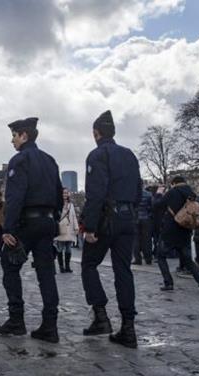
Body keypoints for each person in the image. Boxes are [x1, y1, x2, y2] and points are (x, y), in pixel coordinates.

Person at [0, 117, 62, 344]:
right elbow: (58, 194)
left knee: (9, 264)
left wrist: (8, 228)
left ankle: (16, 320)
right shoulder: (50, 160)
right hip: (47, 222)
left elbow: (15, 197)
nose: (11, 140)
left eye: (14, 135)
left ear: (23, 135)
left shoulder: (19, 160)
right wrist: (53, 222)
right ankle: (50, 326)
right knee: (46, 274)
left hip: (26, 223)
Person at [79, 110, 142, 349]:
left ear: (96, 133)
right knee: (123, 271)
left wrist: (91, 226)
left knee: (88, 265)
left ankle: (101, 316)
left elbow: (95, 194)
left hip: (107, 219)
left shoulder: (97, 155)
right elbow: (138, 188)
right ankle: (128, 327)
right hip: (127, 217)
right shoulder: (129, 155)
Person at [153, 177, 199, 295]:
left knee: (161, 256)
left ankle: (168, 283)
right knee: (188, 261)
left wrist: (159, 194)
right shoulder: (192, 194)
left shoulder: (172, 192)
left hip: (170, 231)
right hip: (185, 230)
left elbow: (156, 205)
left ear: (173, 183)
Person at [55, 188, 77, 273]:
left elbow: (74, 216)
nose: (65, 194)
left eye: (66, 193)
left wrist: (76, 227)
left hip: (69, 229)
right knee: (60, 249)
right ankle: (61, 267)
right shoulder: (57, 204)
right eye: (63, 193)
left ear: (68, 194)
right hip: (61, 229)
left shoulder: (71, 205)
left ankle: (67, 266)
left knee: (68, 249)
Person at [132, 187, 153, 265]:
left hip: (135, 218)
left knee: (136, 239)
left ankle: (138, 259)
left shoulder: (132, 194)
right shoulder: (149, 194)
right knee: (147, 239)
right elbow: (152, 207)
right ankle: (148, 259)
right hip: (146, 218)